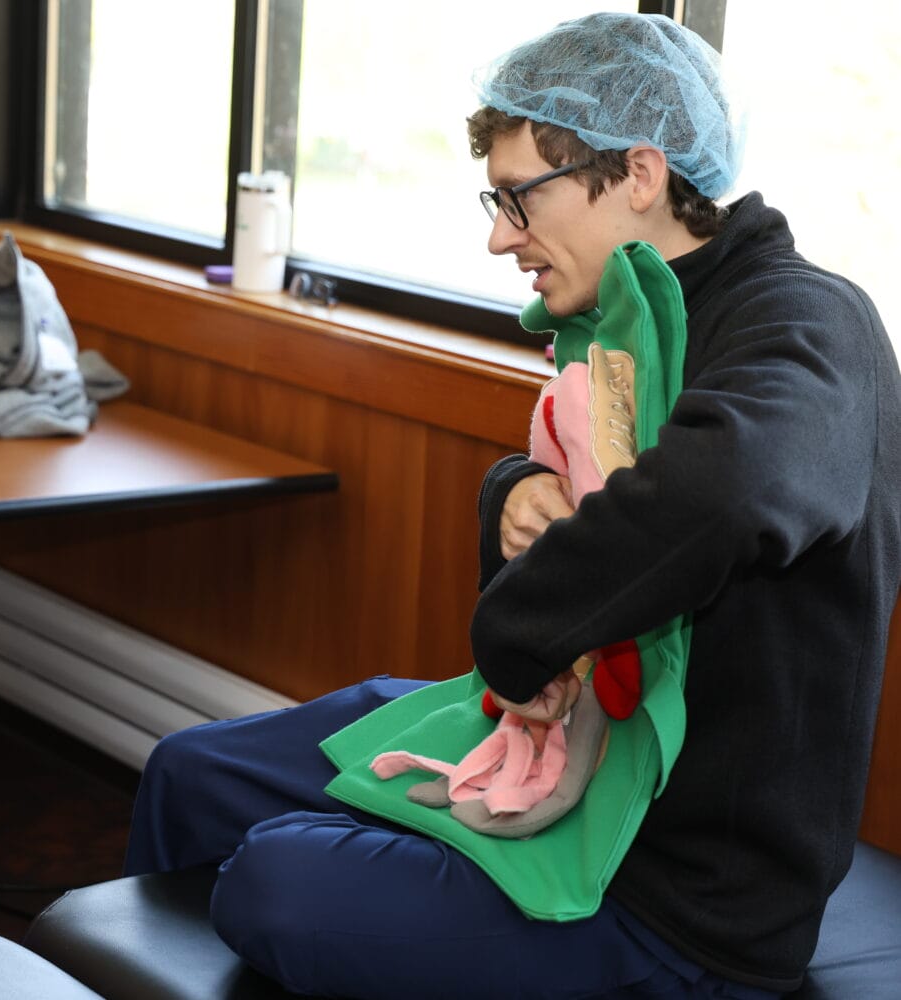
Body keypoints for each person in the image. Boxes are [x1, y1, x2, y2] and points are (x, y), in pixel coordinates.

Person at [124, 12, 900, 999]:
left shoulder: (806, 321)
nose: (499, 237)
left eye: (519, 200)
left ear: (639, 175)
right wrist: (513, 493)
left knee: (274, 878)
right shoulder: (625, 316)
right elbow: (594, 490)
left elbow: (724, 491)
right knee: (191, 772)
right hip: (548, 746)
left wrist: (517, 631)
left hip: (676, 895)